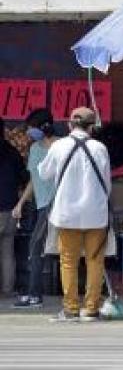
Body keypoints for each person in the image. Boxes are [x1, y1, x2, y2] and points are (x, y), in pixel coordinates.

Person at [38, 107, 111, 323]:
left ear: (70, 125)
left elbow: (43, 173)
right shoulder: (100, 148)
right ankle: (91, 310)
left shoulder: (59, 146)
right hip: (96, 214)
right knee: (95, 261)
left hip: (67, 213)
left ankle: (70, 310)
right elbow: (107, 184)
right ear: (92, 128)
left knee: (68, 262)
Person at [11, 109, 58, 308]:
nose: (29, 131)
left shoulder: (62, 146)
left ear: (44, 127)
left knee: (36, 247)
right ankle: (35, 294)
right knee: (37, 248)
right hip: (42, 206)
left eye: (32, 127)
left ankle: (34, 295)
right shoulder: (35, 149)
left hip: (58, 204)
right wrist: (20, 203)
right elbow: (33, 180)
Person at [0, 118, 29, 298]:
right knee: (7, 251)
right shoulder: (12, 152)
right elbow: (24, 179)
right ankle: (7, 290)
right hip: (10, 209)